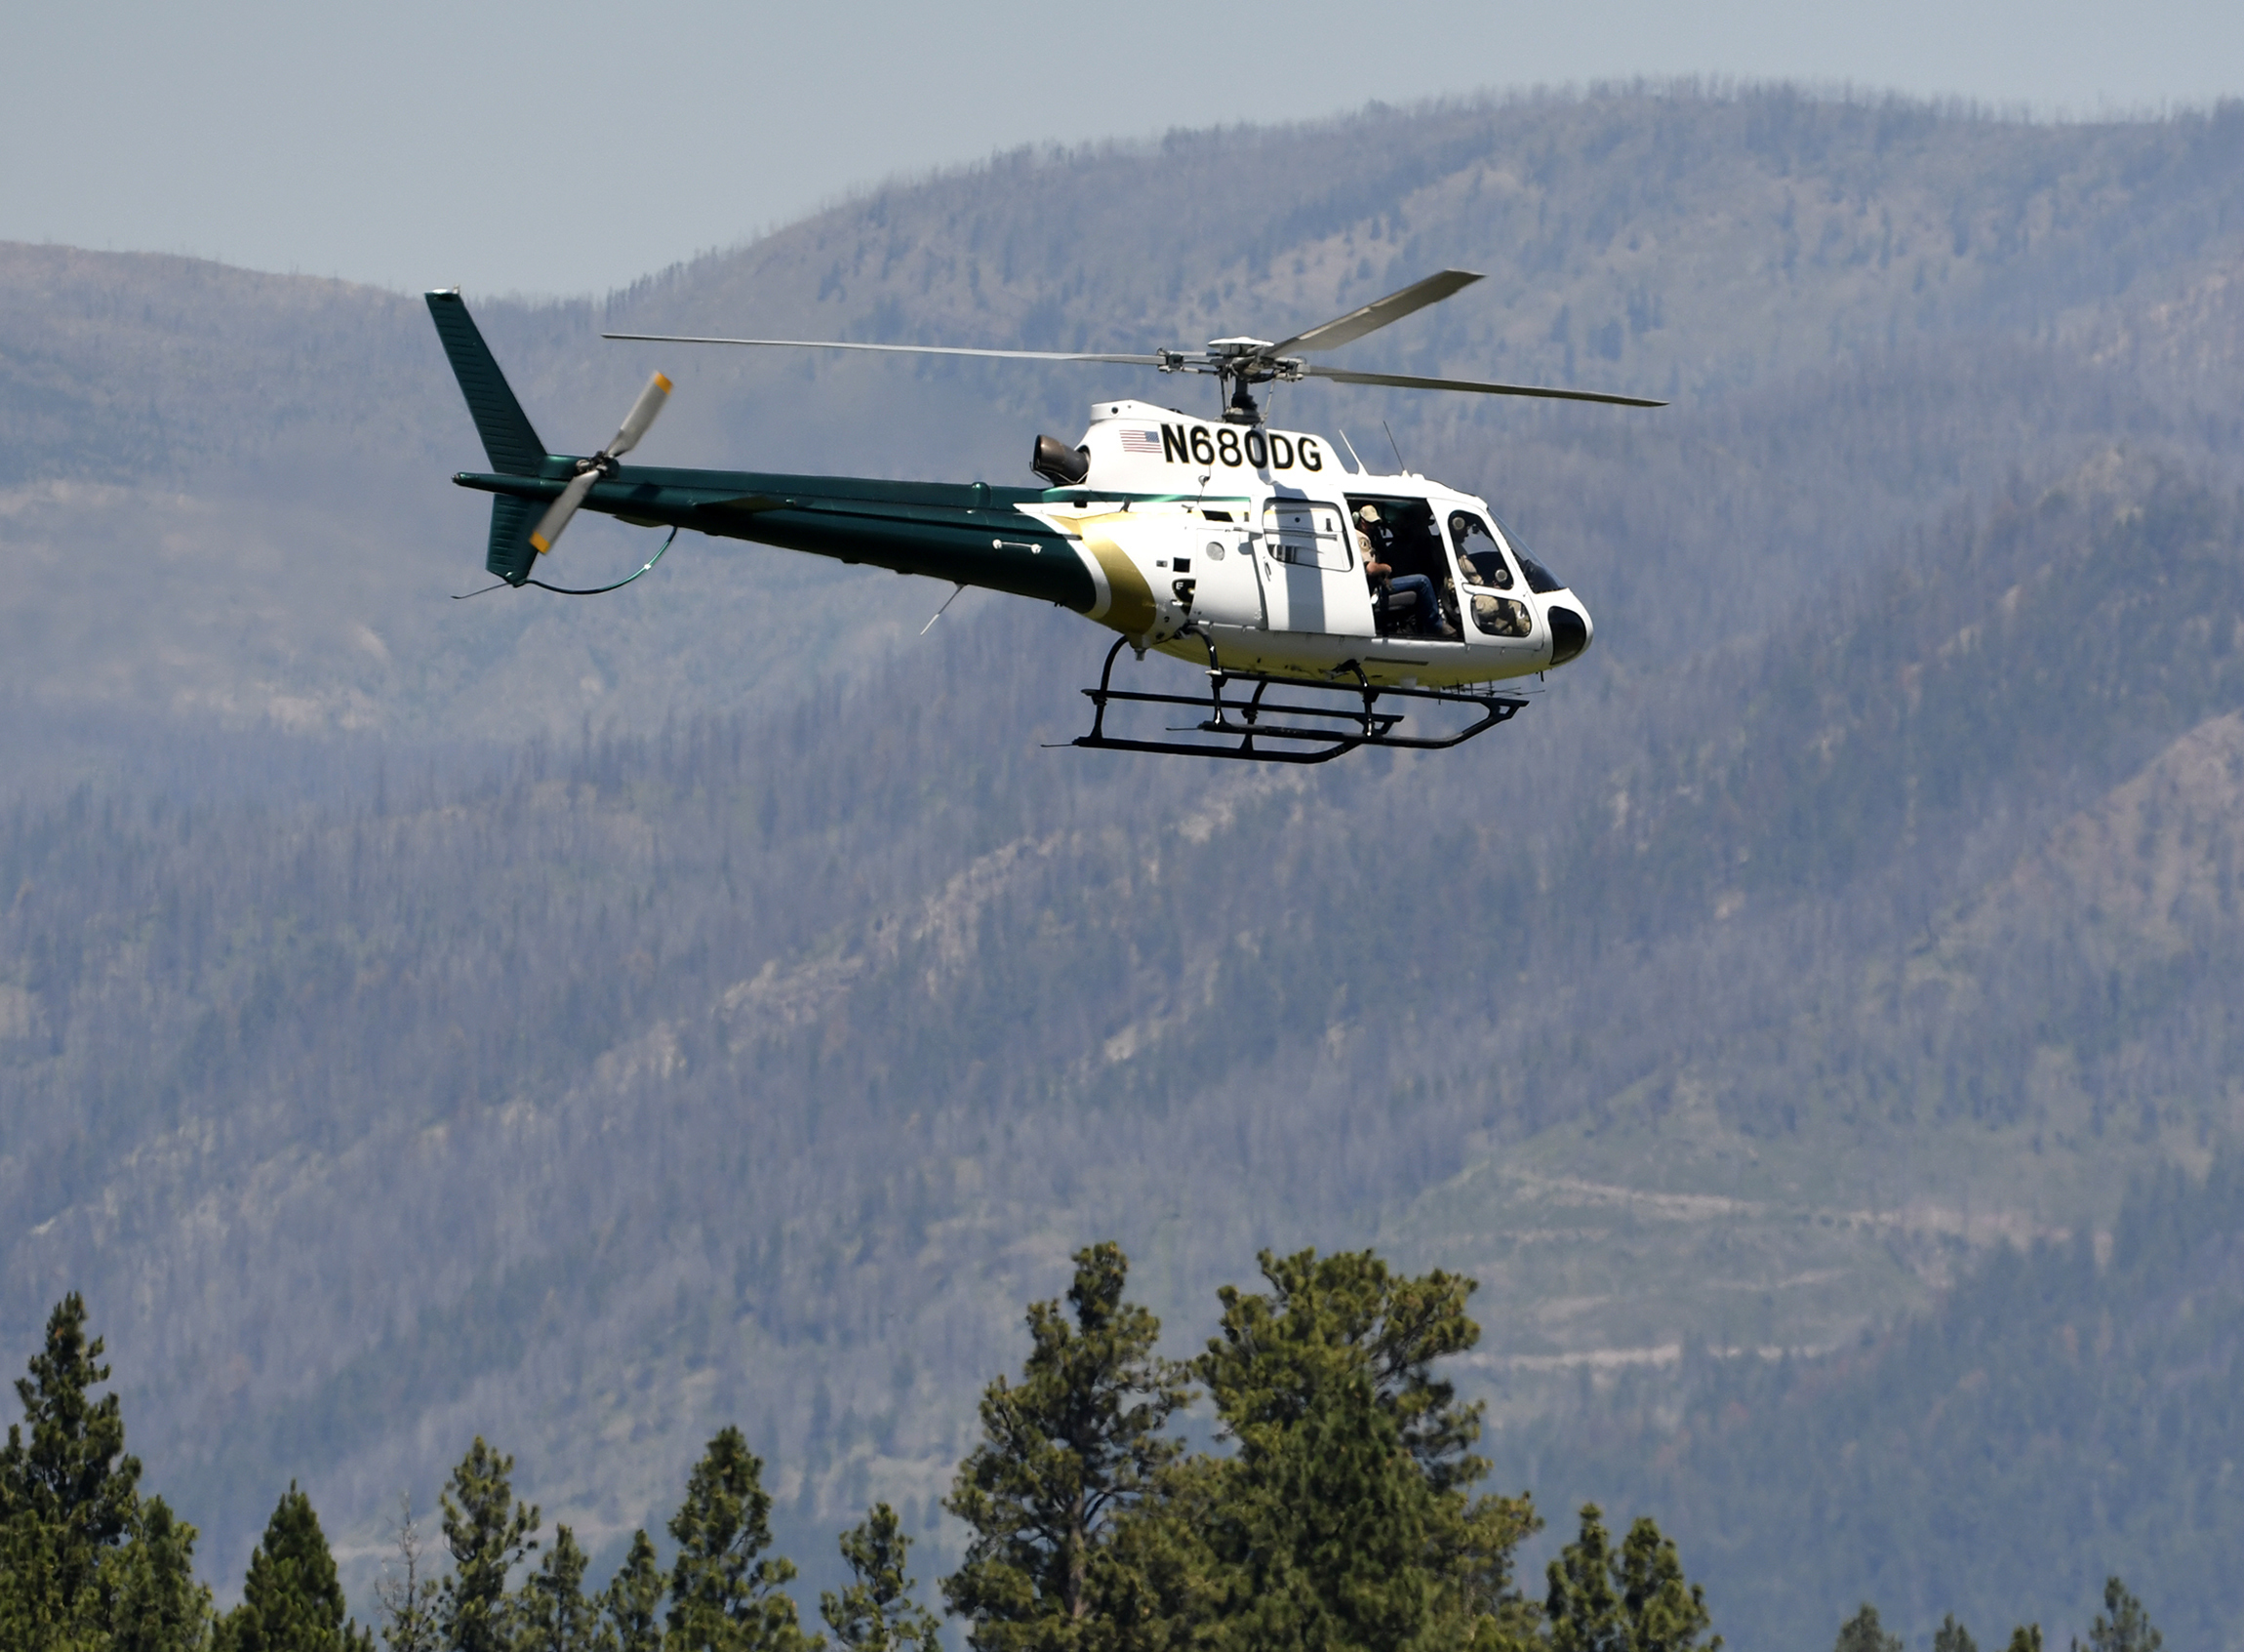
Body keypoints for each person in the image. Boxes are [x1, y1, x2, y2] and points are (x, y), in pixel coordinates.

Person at [1359, 504, 1454, 638]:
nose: (1372, 527)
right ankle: (1436, 626)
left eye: (1374, 524)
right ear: (1358, 520)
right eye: (1368, 523)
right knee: (1423, 582)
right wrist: (1385, 568)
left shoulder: (1370, 538)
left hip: (1377, 585)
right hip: (1375, 589)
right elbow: (1370, 569)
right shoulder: (1361, 538)